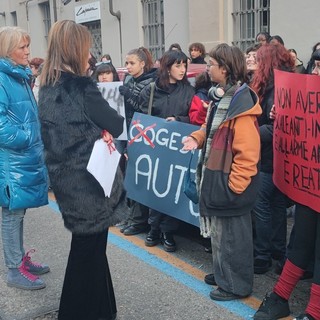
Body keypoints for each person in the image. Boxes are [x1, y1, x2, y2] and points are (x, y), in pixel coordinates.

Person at [38, 20, 128, 320]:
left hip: (66, 180)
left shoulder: (48, 84)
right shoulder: (81, 87)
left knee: (88, 249)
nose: (90, 53)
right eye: (87, 47)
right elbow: (115, 123)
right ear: (76, 49)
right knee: (87, 254)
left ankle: (103, 308)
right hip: (90, 182)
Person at [182, 43, 262, 301]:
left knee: (231, 240)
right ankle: (223, 275)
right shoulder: (224, 98)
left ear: (225, 69)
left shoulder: (240, 104)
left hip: (228, 185)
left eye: (211, 65)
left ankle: (235, 285)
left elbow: (248, 155)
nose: (208, 69)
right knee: (220, 236)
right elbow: (211, 130)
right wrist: (197, 137)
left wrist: (234, 187)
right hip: (219, 180)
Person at [253, 49, 320, 320]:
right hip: (310, 185)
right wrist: (281, 117)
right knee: (301, 240)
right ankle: (280, 297)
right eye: (316, 66)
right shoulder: (307, 97)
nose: (317, 72)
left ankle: (314, 311)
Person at [0, 26, 49, 290]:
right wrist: (29, 137)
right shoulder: (2, 78)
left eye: (27, 46)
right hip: (11, 162)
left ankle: (18, 261)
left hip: (20, 160)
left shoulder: (17, 76)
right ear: (8, 50)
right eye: (22, 47)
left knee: (17, 213)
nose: (27, 51)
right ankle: (13, 270)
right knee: (11, 214)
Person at [140, 49, 195, 252]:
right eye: (178, 65)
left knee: (174, 190)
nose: (182, 70)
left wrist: (179, 121)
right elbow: (142, 119)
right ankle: (153, 228)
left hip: (179, 148)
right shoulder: (152, 89)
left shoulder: (189, 91)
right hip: (156, 147)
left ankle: (168, 231)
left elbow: (195, 119)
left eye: (184, 65)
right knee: (157, 187)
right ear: (167, 67)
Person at [250, 43, 295, 274]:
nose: (256, 65)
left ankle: (262, 256)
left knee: (262, 206)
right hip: (281, 159)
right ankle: (279, 253)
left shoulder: (275, 88)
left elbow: (276, 127)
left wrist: (249, 134)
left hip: (269, 158)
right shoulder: (285, 84)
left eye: (259, 60)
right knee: (276, 206)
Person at [118, 47, 158, 237]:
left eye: (132, 63)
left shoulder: (151, 83)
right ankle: (131, 215)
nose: (128, 67)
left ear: (142, 64)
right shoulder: (128, 80)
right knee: (128, 177)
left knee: (138, 177)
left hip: (142, 135)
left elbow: (143, 110)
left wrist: (127, 94)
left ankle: (139, 220)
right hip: (126, 132)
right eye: (126, 63)